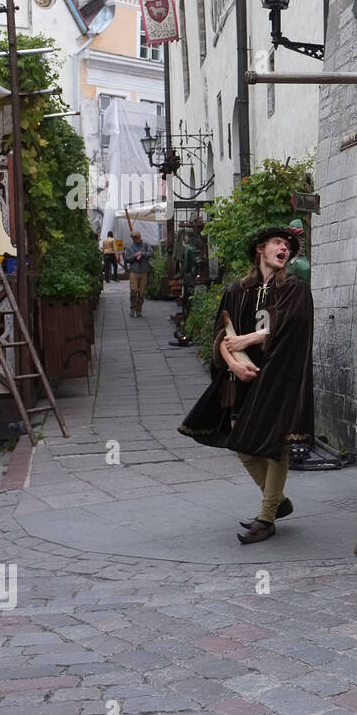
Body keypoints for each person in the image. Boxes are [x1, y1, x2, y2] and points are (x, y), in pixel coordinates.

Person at [178, 226, 314, 544]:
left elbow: (291, 325)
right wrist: (233, 363)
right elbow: (221, 334)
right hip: (242, 379)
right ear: (260, 249)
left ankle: (267, 517)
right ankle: (278, 502)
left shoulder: (295, 288)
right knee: (241, 443)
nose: (284, 248)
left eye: (288, 246)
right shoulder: (237, 289)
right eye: (278, 243)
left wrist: (249, 337)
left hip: (279, 379)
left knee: (274, 447)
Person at [123, 231, 153, 317]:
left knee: (141, 293)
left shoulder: (146, 245)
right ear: (132, 238)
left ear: (140, 236)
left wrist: (142, 254)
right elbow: (127, 259)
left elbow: (151, 253)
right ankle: (132, 308)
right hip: (134, 272)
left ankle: (139, 310)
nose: (136, 239)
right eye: (134, 237)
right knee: (134, 290)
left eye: (137, 237)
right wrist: (135, 255)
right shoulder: (129, 247)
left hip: (144, 271)